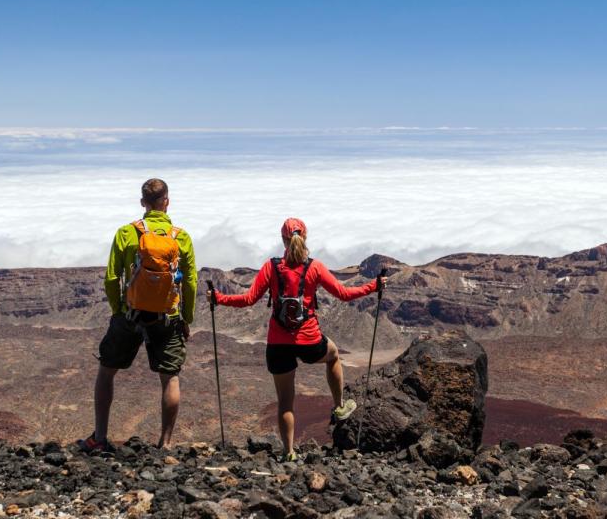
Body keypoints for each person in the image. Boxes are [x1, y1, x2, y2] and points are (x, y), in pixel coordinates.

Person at [207, 217, 384, 462]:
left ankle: (289, 452)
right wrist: (373, 286)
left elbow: (248, 299)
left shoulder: (271, 267)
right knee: (332, 355)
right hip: (309, 340)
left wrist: (218, 297)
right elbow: (344, 294)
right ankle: (340, 406)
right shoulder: (315, 267)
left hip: (278, 344)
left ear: (282, 239)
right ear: (306, 238)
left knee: (285, 403)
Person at [79, 178, 198, 452]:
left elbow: (111, 278)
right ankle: (165, 444)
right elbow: (190, 282)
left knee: (107, 371)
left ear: (143, 202)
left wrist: (118, 311)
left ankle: (99, 437)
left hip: (130, 315)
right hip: (167, 318)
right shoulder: (181, 237)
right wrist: (186, 318)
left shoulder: (125, 233)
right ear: (167, 201)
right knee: (170, 376)